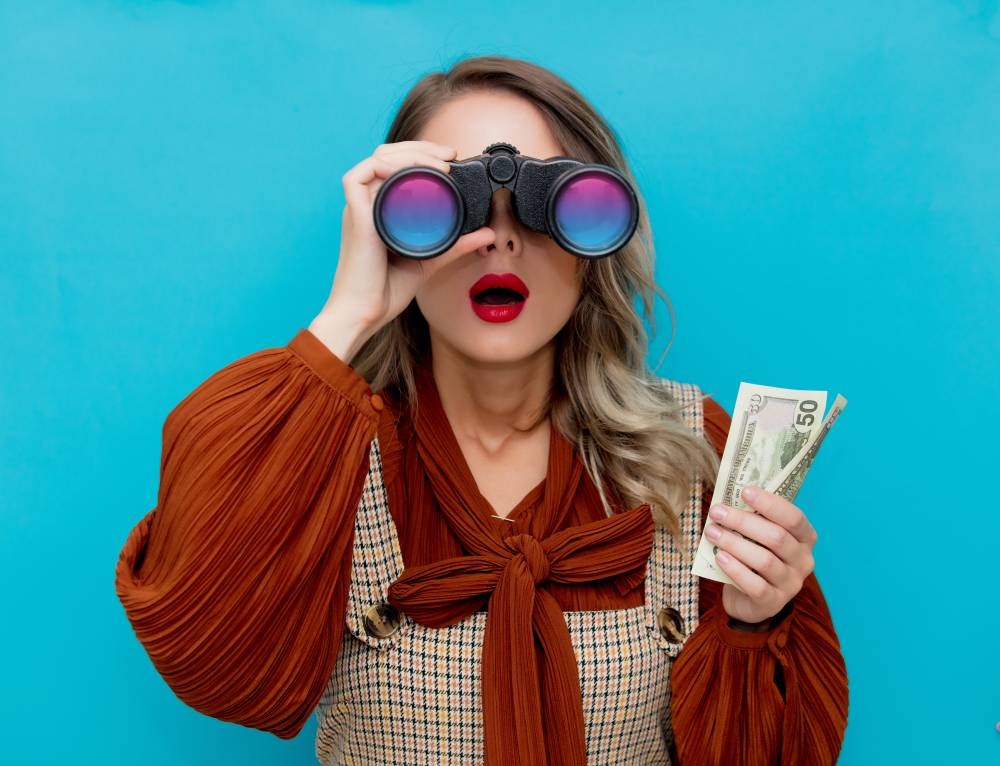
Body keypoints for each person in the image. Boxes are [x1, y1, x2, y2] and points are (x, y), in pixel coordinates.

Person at [114, 55, 849, 765]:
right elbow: (207, 654)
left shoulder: (691, 453)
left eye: (550, 204)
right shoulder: (327, 455)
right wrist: (349, 312)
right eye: (447, 202)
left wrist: (758, 625)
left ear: (596, 235)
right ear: (391, 223)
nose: (499, 238)